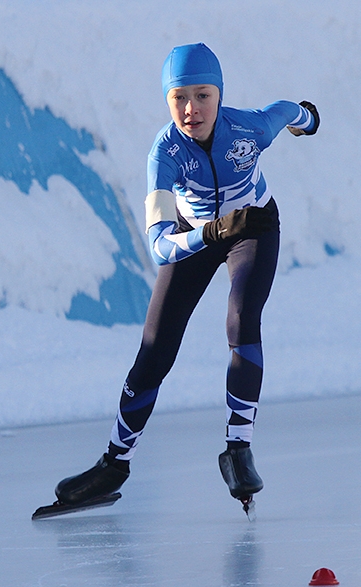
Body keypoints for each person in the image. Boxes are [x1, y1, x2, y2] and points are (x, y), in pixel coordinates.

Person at [54, 42, 319, 512]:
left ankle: (238, 449)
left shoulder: (249, 127)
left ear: (220, 95)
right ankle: (113, 464)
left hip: (252, 229)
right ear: (167, 101)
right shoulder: (164, 152)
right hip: (192, 235)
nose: (191, 109)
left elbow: (284, 112)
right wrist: (210, 231)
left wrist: (308, 118)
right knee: (155, 351)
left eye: (203, 95)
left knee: (241, 321)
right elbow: (158, 245)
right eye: (179, 98)